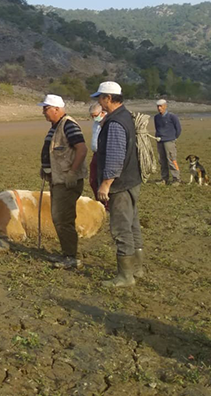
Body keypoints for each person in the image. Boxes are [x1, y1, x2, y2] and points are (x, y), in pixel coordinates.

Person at [92, 82, 144, 287]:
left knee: (121, 229)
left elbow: (114, 157)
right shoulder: (125, 116)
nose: (98, 101)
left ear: (108, 98)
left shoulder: (114, 123)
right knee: (133, 225)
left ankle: (125, 276)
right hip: (132, 181)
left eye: (100, 97)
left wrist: (105, 184)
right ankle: (137, 269)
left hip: (120, 185)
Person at [38, 95, 88, 269]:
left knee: (62, 218)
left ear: (57, 109)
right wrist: (46, 168)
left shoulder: (68, 125)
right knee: (60, 218)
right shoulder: (56, 126)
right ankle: (68, 253)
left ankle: (71, 257)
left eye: (46, 108)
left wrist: (73, 172)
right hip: (57, 179)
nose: (43, 112)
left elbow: (82, 149)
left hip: (66, 181)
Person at [154, 99, 182, 185]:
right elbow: (157, 128)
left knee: (172, 160)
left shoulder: (172, 117)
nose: (159, 108)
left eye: (161, 106)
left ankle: (176, 179)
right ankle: (164, 179)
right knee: (162, 160)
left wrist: (173, 138)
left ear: (165, 106)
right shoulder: (156, 117)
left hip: (169, 141)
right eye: (158, 106)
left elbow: (178, 129)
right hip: (160, 141)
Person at [88, 102, 105, 198]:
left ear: (102, 112)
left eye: (95, 116)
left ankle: (106, 204)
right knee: (93, 180)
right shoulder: (95, 123)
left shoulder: (107, 121)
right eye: (92, 116)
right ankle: (99, 200)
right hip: (95, 154)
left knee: (102, 179)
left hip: (103, 154)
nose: (94, 118)